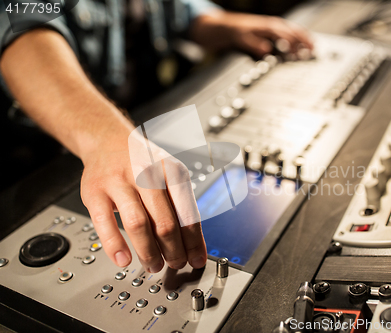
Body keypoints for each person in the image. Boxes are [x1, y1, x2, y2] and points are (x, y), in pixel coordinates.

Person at [0, 0, 313, 274]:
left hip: (147, 125)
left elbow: (174, 9)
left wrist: (219, 24)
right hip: (47, 162)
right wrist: (104, 138)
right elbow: (21, 31)